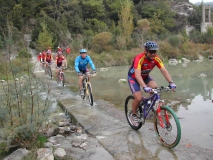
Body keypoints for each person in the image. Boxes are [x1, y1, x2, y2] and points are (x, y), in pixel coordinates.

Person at [127, 41, 176, 126]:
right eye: (151, 52)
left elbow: (164, 71)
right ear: (145, 51)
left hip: (145, 77)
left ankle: (149, 105)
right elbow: (137, 75)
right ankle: (133, 114)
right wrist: (144, 87)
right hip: (134, 78)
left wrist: (171, 82)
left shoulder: (156, 58)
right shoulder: (139, 58)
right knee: (138, 98)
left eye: (155, 52)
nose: (153, 54)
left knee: (155, 87)